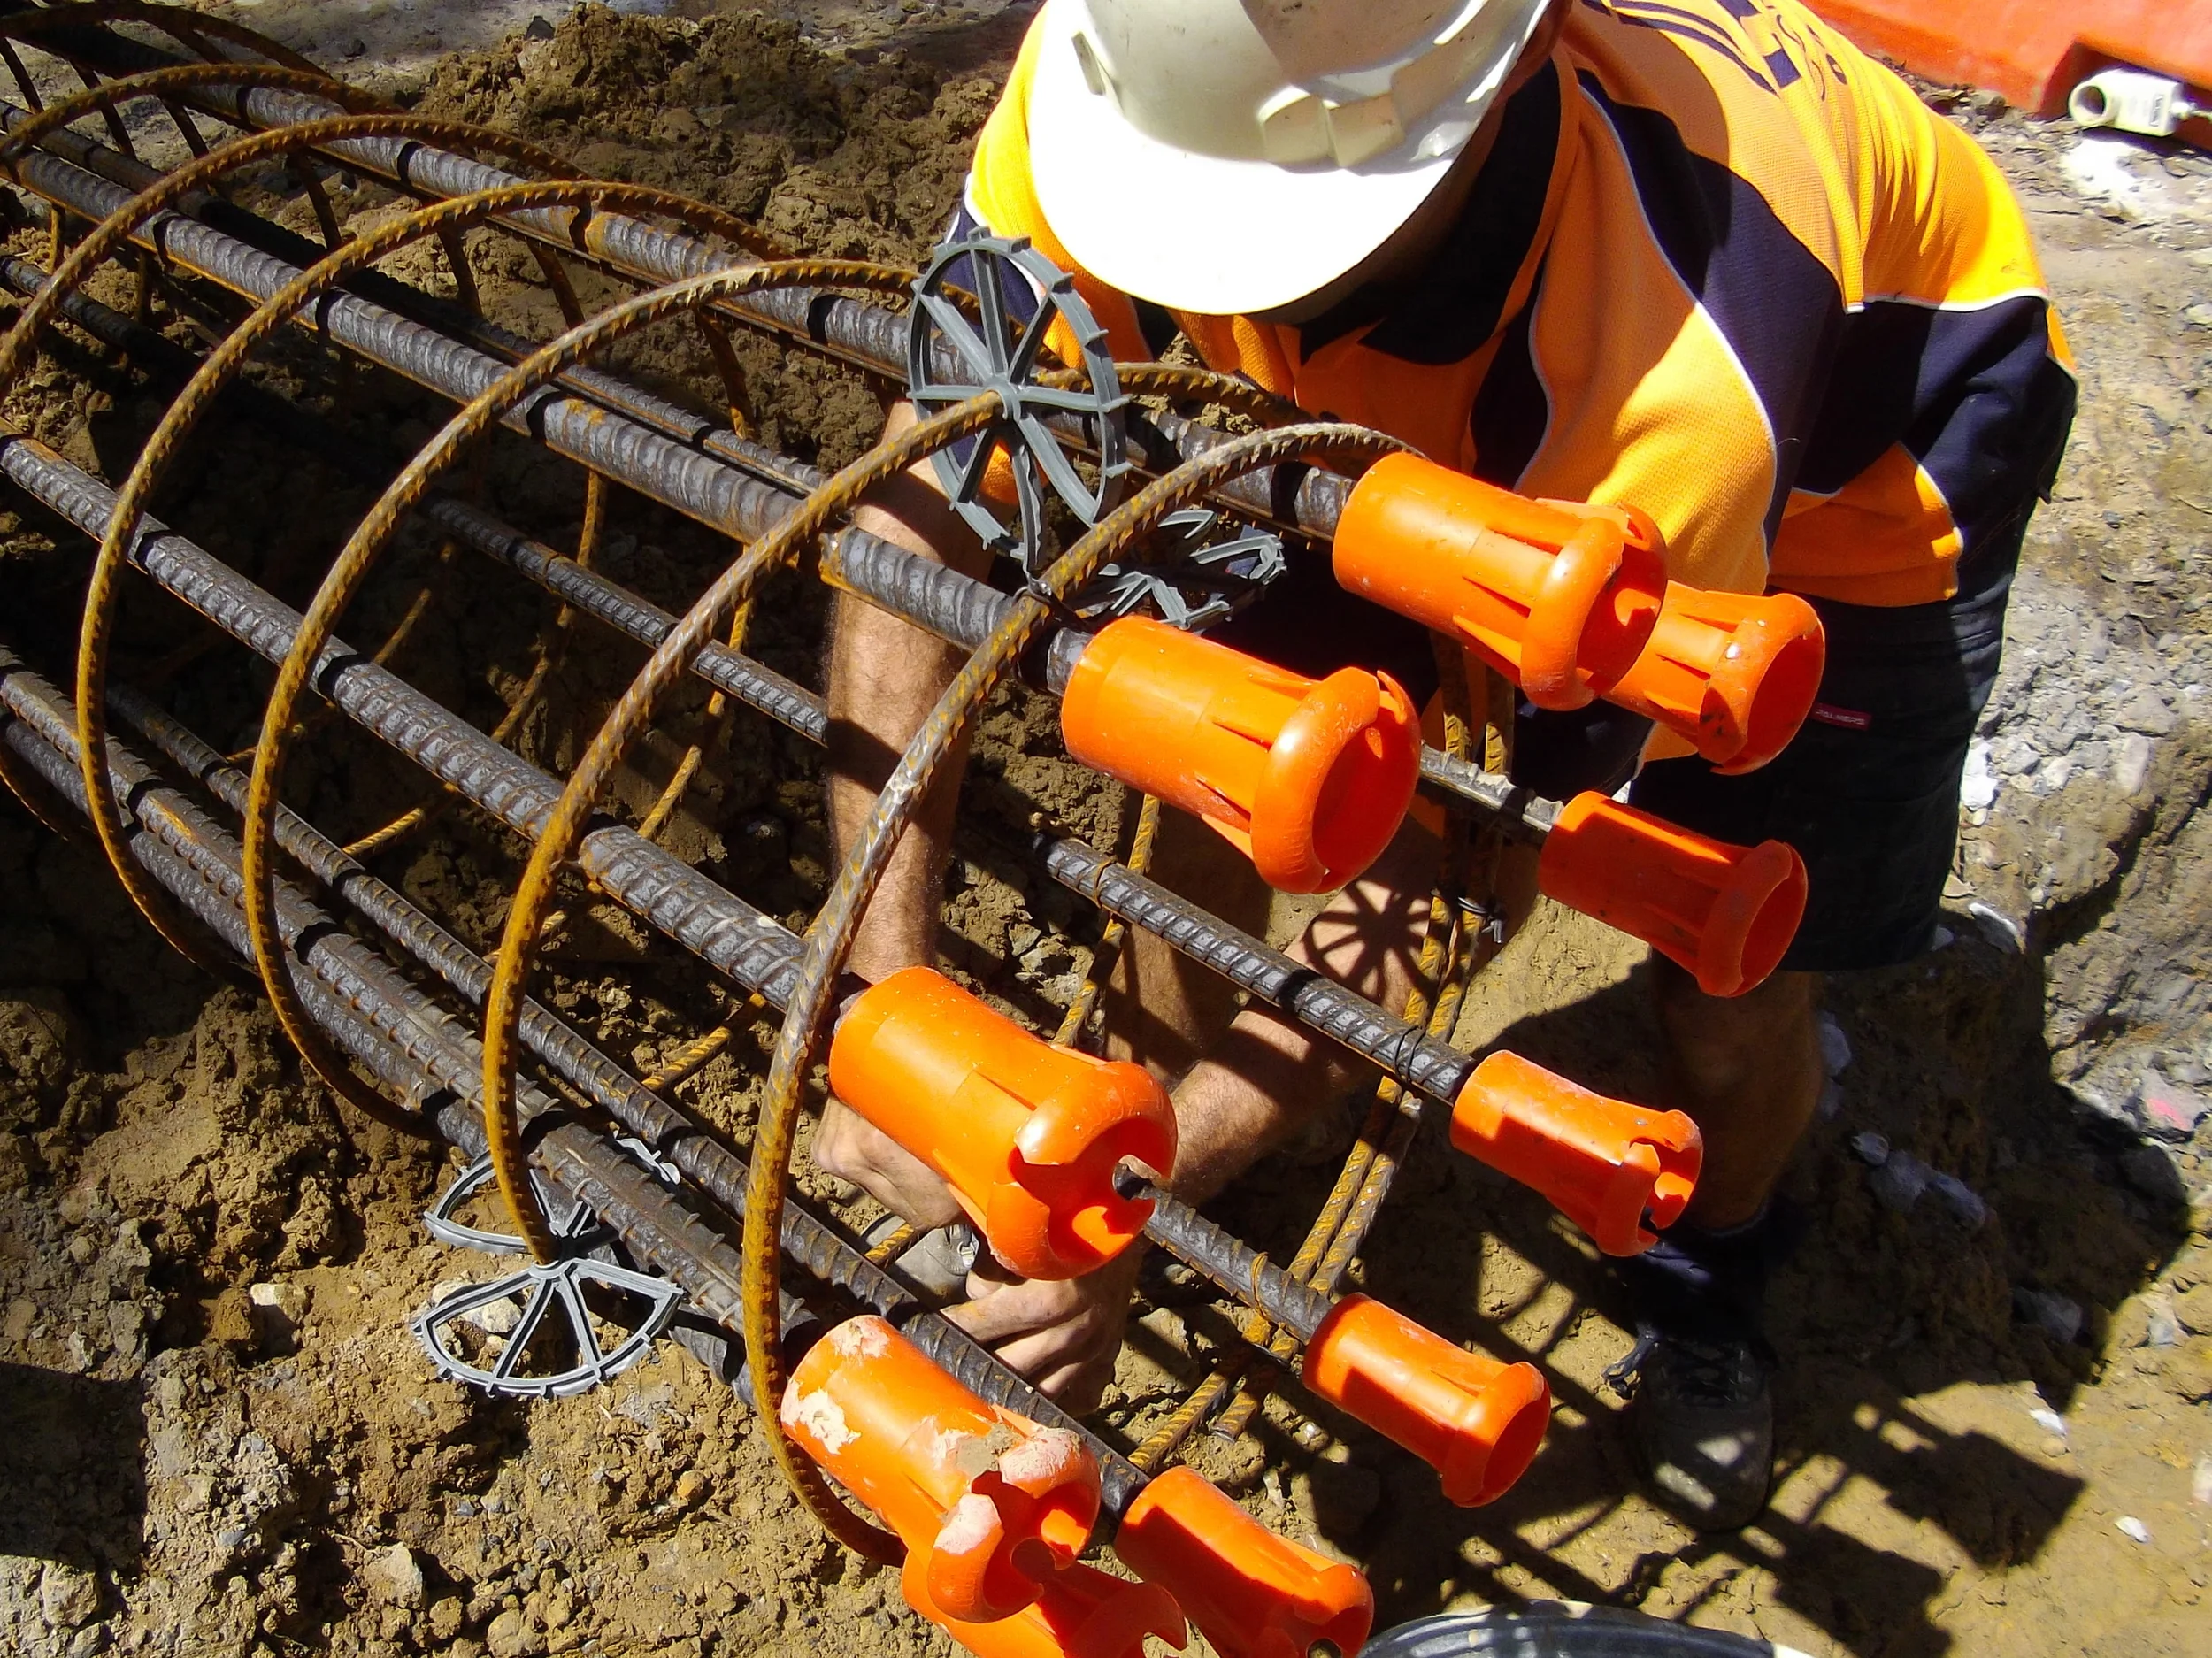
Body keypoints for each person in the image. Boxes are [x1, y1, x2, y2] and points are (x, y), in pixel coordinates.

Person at [813, 0, 2076, 1530]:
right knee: (1221, 714)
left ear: (1479, 112)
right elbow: (919, 510)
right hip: (1420, 403)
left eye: (1255, 238)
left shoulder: (1671, 401)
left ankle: (1710, 1279)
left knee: (1727, 970)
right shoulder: (1133, 85)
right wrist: (885, 1004)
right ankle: (1177, 1098)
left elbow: (1457, 881)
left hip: (1871, 465)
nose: (1178, 274)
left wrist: (1134, 1196)